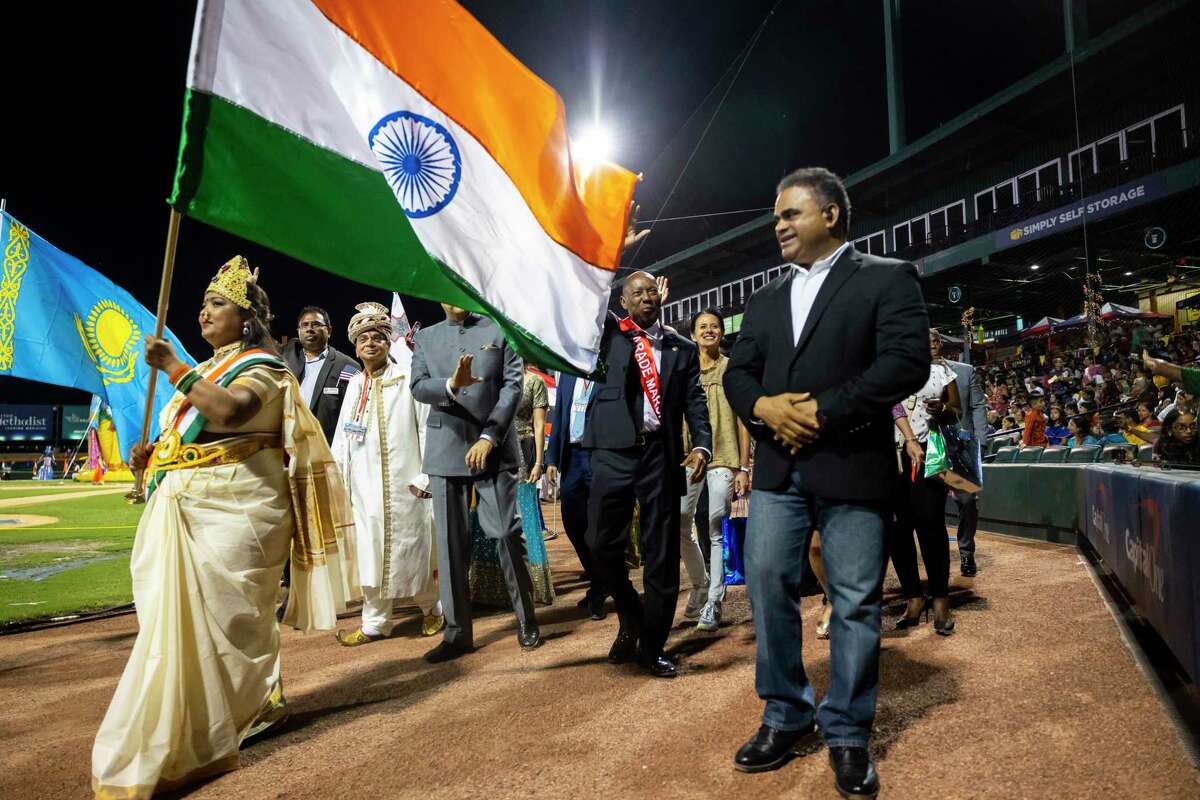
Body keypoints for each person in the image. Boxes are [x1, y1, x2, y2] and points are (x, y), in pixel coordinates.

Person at [92, 257, 357, 799]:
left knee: (235, 619)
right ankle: (249, 703)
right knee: (182, 618)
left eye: (218, 304)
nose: (204, 311)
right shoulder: (210, 368)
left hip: (241, 507)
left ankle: (244, 708)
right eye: (205, 302)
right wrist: (153, 457)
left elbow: (233, 414)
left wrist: (174, 368)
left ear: (246, 318)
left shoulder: (263, 366)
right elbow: (194, 433)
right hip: (190, 501)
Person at [723, 167, 929, 797]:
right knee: (764, 585)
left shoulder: (887, 276)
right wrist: (764, 409)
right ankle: (785, 714)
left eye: (790, 214)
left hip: (852, 464)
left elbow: (906, 363)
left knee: (856, 599)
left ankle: (846, 731)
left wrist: (820, 410)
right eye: (776, 216)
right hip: (779, 467)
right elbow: (740, 375)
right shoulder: (763, 298)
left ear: (831, 214)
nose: (778, 225)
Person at [582, 270, 711, 679]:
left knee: (661, 554)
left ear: (661, 297)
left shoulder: (682, 347)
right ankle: (632, 611)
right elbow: (589, 292)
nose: (645, 297)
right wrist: (611, 257)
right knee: (598, 544)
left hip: (659, 456)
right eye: (636, 292)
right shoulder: (608, 336)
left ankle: (652, 645)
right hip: (611, 453)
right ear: (623, 301)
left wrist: (703, 444)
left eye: (651, 290)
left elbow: (695, 400)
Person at [409, 304, 540, 662]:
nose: (455, 300)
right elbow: (418, 386)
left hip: (493, 449)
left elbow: (513, 387)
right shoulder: (425, 337)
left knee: (505, 534)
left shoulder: (501, 328)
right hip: (445, 448)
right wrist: (451, 385)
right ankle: (456, 633)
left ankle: (526, 619)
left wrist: (490, 436)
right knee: (451, 546)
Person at [332, 302, 444, 647]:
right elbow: (342, 439)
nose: (370, 343)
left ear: (387, 342)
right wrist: (337, 480)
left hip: (406, 485)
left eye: (377, 337)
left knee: (414, 551)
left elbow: (426, 428)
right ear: (355, 345)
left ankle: (433, 609)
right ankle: (375, 622)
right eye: (363, 338)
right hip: (364, 491)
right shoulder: (354, 385)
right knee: (370, 555)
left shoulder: (408, 378)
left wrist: (426, 476)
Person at [676, 308, 751, 632]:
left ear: (722, 333)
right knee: (680, 521)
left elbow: (743, 420)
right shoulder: (683, 371)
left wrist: (743, 467)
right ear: (693, 335)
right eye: (702, 327)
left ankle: (713, 602)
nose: (709, 330)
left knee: (715, 525)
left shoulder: (732, 369)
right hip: (689, 458)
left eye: (714, 326)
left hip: (723, 456)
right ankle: (701, 584)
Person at [890, 331, 962, 635]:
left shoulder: (943, 371)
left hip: (929, 453)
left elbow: (956, 410)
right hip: (891, 457)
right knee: (897, 530)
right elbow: (890, 404)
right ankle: (913, 598)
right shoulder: (892, 366)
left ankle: (941, 600)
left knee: (931, 526)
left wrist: (942, 409)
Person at [544, 369, 606, 619]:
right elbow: (560, 415)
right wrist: (551, 459)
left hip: (599, 456)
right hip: (571, 457)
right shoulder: (567, 374)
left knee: (598, 527)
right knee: (571, 522)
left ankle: (601, 588)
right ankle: (598, 579)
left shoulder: (606, 371)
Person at [282, 306, 361, 443]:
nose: (309, 329)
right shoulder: (287, 358)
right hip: (288, 445)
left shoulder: (347, 366)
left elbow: (355, 415)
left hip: (327, 448)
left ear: (329, 331)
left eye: (316, 324)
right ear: (298, 331)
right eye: (304, 325)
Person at [943, 346, 986, 577]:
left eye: (936, 340)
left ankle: (967, 551)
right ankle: (938, 556)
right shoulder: (914, 371)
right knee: (928, 507)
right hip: (928, 447)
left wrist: (980, 440)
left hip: (963, 448)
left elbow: (978, 404)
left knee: (968, 501)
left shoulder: (965, 370)